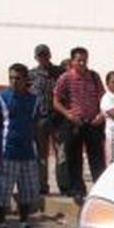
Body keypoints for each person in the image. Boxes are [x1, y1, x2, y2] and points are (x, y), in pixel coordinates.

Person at [0, 64, 41, 228]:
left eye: (18, 78)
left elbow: (34, 125)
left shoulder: (33, 99)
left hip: (27, 153)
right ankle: (1, 225)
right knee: (2, 191)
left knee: (27, 191)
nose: (14, 81)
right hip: (7, 152)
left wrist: (39, 151)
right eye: (11, 77)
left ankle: (23, 224)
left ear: (26, 79)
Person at [53, 47, 106, 205]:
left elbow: (103, 98)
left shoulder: (94, 77)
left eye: (84, 60)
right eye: (79, 60)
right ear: (72, 61)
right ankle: (78, 190)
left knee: (97, 158)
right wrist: (68, 114)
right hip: (75, 122)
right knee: (74, 159)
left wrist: (101, 115)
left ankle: (100, 190)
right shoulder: (65, 78)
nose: (82, 63)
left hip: (93, 122)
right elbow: (55, 100)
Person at [30, 44, 64, 196]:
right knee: (41, 155)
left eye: (45, 55)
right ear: (36, 57)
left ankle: (64, 185)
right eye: (40, 55)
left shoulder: (60, 73)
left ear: (50, 56)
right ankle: (42, 185)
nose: (43, 58)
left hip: (58, 118)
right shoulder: (31, 75)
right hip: (40, 119)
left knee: (61, 153)